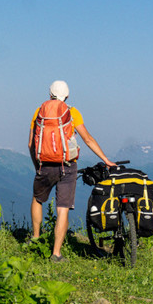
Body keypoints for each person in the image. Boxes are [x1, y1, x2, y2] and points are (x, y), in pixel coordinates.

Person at [28, 80, 115, 262]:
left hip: (44, 164)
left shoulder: (39, 112)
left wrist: (37, 165)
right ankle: (56, 254)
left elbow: (31, 143)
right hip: (67, 166)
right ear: (67, 95)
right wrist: (105, 159)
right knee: (63, 209)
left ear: (50, 94)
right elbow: (87, 139)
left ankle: (35, 238)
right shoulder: (72, 112)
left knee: (37, 199)